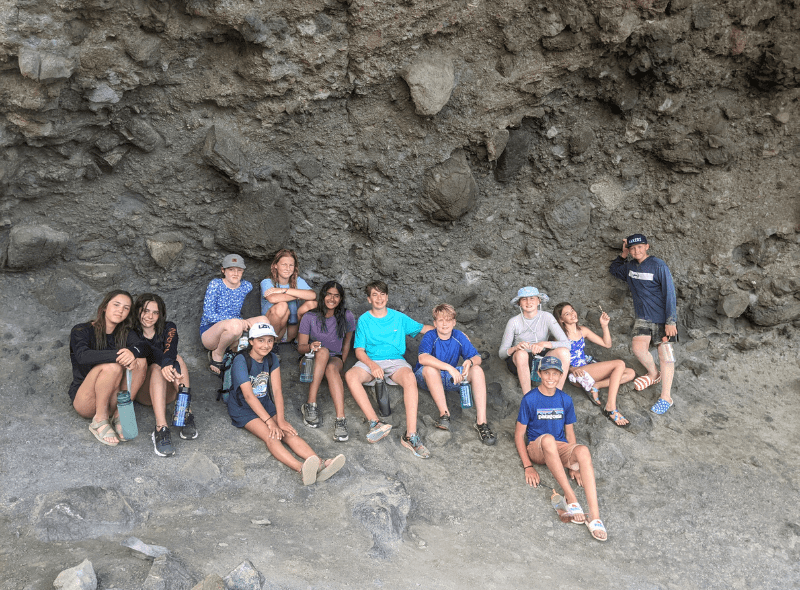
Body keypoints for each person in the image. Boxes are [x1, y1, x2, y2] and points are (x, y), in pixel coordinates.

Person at [227, 323, 345, 485]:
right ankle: (301, 468)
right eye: (261, 340)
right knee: (272, 436)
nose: (266, 345)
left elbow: (277, 390)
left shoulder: (271, 358)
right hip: (243, 408)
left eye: (269, 341)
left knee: (288, 432)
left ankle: (319, 463)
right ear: (251, 341)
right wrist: (270, 422)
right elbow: (248, 395)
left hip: (265, 403)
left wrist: (280, 420)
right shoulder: (241, 360)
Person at [514, 356, 607, 542]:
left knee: (583, 451)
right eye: (546, 373)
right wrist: (528, 466)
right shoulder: (530, 399)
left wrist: (575, 466)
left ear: (560, 376)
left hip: (559, 448)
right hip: (538, 447)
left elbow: (569, 432)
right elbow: (518, 435)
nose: (550, 377)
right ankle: (571, 498)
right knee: (548, 439)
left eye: (555, 374)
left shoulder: (565, 399)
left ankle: (595, 517)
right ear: (539, 374)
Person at [344, 280, 434, 458]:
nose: (379, 298)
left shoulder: (398, 317)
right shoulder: (364, 320)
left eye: (382, 294)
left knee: (409, 377)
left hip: (395, 362)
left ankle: (411, 436)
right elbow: (359, 351)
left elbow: (425, 329)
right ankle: (375, 423)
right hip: (370, 361)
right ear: (369, 299)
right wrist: (372, 365)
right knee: (351, 376)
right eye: (375, 295)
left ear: (387, 296)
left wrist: (453, 333)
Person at [69, 290, 149, 446]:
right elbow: (82, 356)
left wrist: (133, 353)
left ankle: (120, 415)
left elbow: (144, 347)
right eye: (116, 304)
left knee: (140, 360)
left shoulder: (126, 333)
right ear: (105, 306)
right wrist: (121, 357)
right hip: (87, 400)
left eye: (126, 308)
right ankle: (99, 421)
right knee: (113, 367)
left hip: (113, 400)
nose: (120, 310)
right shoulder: (81, 330)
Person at [609, 234, 678, 415]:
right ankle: (654, 374)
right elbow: (614, 270)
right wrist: (623, 254)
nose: (636, 251)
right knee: (638, 349)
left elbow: (670, 292)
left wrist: (671, 321)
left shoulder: (658, 265)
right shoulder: (630, 266)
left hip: (662, 318)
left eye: (639, 247)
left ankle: (666, 397)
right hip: (643, 318)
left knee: (666, 356)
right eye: (632, 248)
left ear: (647, 247)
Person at [414, 304, 497, 446]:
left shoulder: (458, 336)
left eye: (448, 320)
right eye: (440, 320)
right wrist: (449, 368)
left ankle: (481, 423)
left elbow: (477, 357)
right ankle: (444, 415)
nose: (444, 323)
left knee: (477, 370)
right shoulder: (430, 335)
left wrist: (470, 362)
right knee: (429, 369)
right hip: (427, 378)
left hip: (449, 378)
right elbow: (423, 358)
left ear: (454, 322)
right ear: (435, 323)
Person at [132, 293, 197, 457]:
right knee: (155, 367)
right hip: (145, 392)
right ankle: (161, 429)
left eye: (155, 312)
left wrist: (168, 363)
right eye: (146, 311)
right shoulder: (130, 332)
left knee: (178, 358)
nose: (150, 316)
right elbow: (146, 350)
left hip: (168, 391)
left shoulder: (169, 327)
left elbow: (171, 347)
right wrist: (165, 363)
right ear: (138, 310)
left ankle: (184, 412)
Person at [553, 302, 636, 427]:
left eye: (572, 310)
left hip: (588, 368)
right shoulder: (560, 336)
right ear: (561, 319)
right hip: (577, 374)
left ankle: (596, 385)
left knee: (630, 373)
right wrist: (572, 368)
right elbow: (556, 359)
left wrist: (604, 326)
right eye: (567, 313)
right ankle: (610, 407)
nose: (572, 314)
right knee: (619, 364)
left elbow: (607, 344)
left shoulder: (583, 331)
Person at [296, 281, 356, 441]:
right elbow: (300, 347)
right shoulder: (310, 316)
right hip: (310, 359)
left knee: (332, 368)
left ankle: (341, 420)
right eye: (329, 294)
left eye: (336, 296)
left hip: (334, 359)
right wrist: (310, 346)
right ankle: (310, 404)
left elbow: (347, 342)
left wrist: (342, 363)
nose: (332, 298)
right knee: (323, 351)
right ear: (323, 295)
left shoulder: (347, 316)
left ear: (340, 299)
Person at [200, 254, 268, 376]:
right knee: (235, 325)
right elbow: (209, 315)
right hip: (211, 332)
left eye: (239, 270)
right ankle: (217, 353)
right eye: (231, 269)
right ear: (223, 270)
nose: (235, 273)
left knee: (264, 321)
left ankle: (247, 353)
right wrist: (237, 321)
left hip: (235, 327)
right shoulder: (215, 284)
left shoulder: (246, 286)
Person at [498, 286, 571, 395]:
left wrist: (544, 344)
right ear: (519, 303)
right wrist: (515, 347)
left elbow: (567, 344)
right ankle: (528, 397)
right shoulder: (513, 322)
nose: (528, 302)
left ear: (539, 301)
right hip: (521, 361)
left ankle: (557, 394)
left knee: (564, 353)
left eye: (532, 298)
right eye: (524, 299)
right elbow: (502, 354)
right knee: (521, 354)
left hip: (542, 359)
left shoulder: (547, 317)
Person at [260, 249, 317, 343]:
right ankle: (271, 343)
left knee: (312, 304)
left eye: (291, 265)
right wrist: (299, 295)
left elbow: (312, 295)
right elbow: (273, 298)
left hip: (291, 328)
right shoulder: (267, 282)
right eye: (284, 264)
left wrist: (285, 290)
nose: (288, 268)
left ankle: (299, 342)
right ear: (275, 265)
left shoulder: (297, 281)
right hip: (270, 328)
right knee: (282, 306)